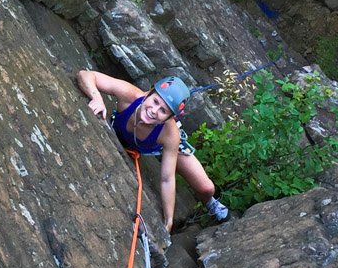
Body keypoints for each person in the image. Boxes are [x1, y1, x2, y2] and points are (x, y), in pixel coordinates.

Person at [76, 69, 230, 231]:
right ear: (149, 94)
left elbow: (167, 179)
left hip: (157, 145)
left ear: (170, 118)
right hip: (137, 139)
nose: (154, 111)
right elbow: (85, 75)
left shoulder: (170, 135)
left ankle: (210, 203)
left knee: (207, 188)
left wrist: (169, 220)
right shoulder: (131, 96)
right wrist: (97, 97)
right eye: (155, 101)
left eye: (163, 111)